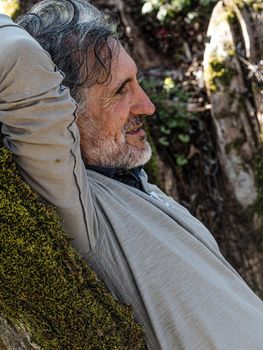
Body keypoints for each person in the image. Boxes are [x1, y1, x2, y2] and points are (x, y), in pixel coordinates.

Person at [0, 1, 263, 349]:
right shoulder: (76, 205)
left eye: (136, 82)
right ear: (64, 111)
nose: (148, 105)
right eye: (120, 91)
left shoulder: (138, 186)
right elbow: (17, 56)